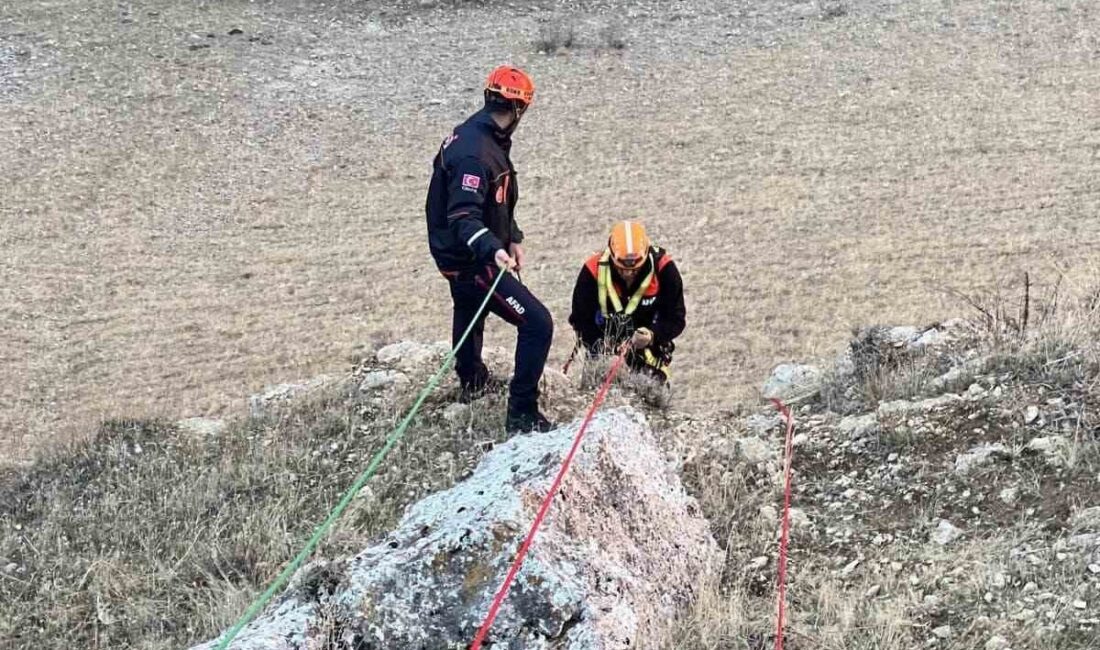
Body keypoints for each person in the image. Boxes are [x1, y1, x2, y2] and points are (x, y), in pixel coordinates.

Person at [425, 65, 555, 434]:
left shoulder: (481, 135)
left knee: (468, 308)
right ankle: (522, 414)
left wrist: (511, 234)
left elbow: (493, 202)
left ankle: (472, 380)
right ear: (520, 109)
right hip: (471, 258)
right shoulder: (475, 153)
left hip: (458, 255)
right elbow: (464, 214)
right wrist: (490, 249)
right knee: (537, 323)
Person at [568, 221, 685, 399]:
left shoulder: (664, 270)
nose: (628, 273)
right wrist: (601, 346)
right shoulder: (592, 271)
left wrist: (653, 336)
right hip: (603, 351)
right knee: (598, 391)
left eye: (635, 269)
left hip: (649, 350)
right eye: (622, 269)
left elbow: (676, 318)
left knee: (654, 396)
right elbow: (579, 319)